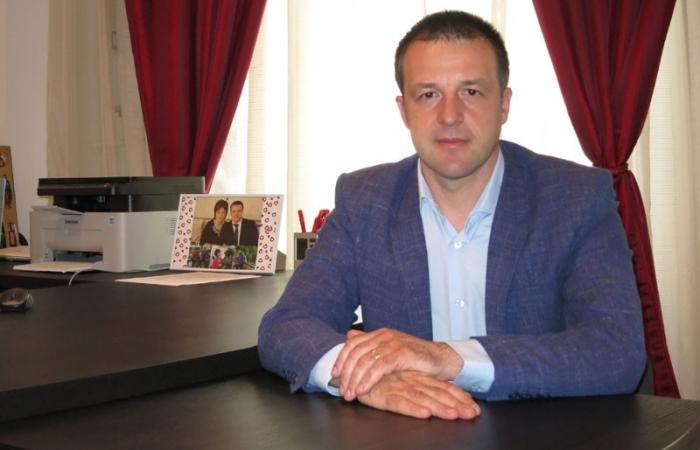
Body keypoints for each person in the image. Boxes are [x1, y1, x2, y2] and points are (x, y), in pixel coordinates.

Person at [258, 10, 645, 421]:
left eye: (471, 92)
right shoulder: (364, 200)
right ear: (403, 110)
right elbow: (287, 325)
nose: (449, 116)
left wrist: (449, 358)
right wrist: (365, 378)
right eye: (428, 95)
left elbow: (616, 350)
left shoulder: (575, 198)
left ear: (504, 104)